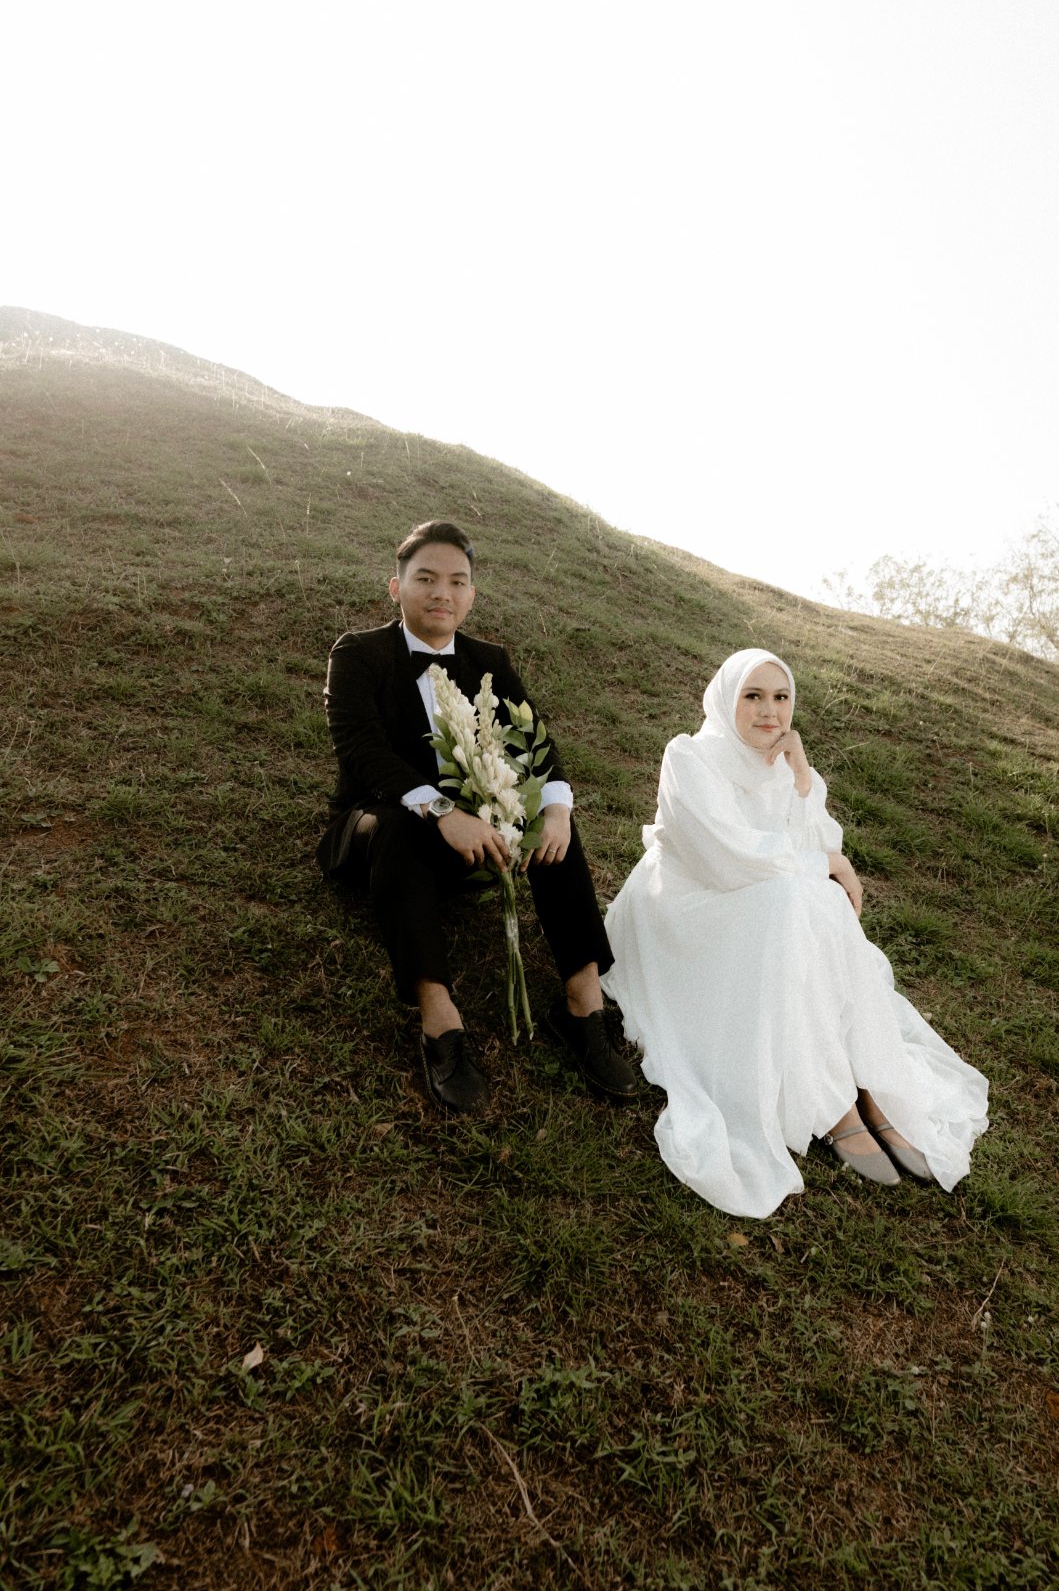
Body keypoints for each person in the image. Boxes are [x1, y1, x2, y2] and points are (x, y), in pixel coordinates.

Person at [601, 649, 988, 1219]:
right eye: (753, 696)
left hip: (765, 897)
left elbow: (813, 845)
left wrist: (802, 780)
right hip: (687, 904)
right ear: (726, 699)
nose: (769, 711)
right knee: (792, 898)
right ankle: (833, 1104)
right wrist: (827, 863)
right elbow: (725, 858)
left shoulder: (789, 767)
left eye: (780, 698)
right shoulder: (689, 756)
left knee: (811, 900)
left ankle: (866, 1081)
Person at [317, 519, 638, 1114]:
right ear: (396, 587)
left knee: (550, 825)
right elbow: (362, 752)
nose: (442, 592)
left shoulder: (489, 659)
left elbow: (536, 741)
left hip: (470, 840)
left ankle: (582, 1006)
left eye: (457, 582)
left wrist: (557, 809)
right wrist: (442, 811)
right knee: (398, 825)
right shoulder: (358, 653)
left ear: (471, 594)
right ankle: (440, 1020)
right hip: (377, 833)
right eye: (426, 579)